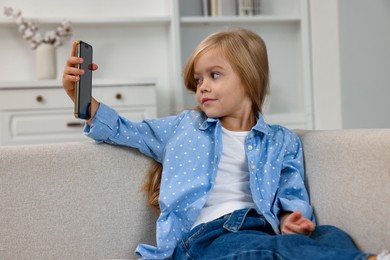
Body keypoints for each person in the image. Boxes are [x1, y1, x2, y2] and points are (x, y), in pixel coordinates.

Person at [62, 29, 384, 260]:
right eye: (198, 80)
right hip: (204, 239)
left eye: (214, 75)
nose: (202, 87)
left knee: (331, 235)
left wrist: (291, 220)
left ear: (249, 78)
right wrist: (82, 98)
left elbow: (292, 196)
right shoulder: (184, 127)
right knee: (253, 251)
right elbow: (122, 130)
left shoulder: (281, 141)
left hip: (262, 228)